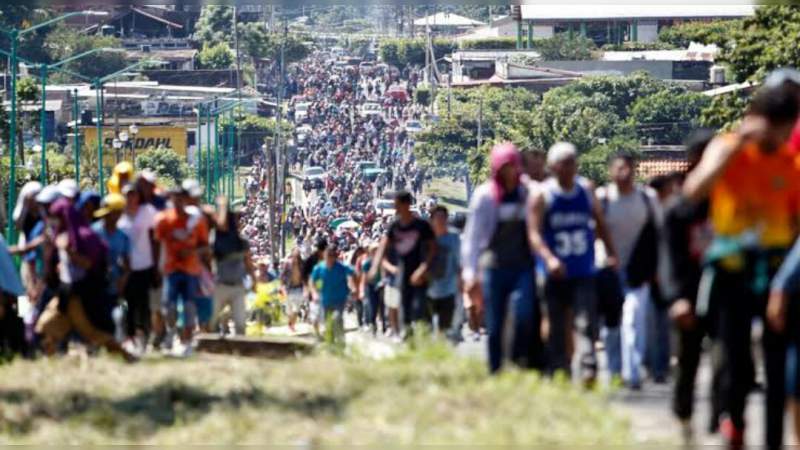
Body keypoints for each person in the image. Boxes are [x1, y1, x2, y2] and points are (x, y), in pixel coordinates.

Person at [684, 71, 800, 448]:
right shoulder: (729, 147)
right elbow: (693, 190)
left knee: (778, 364)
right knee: (734, 361)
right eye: (778, 130)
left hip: (776, 271)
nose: (782, 138)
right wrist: (733, 148)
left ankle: (773, 440)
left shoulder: (789, 162)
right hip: (732, 270)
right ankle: (733, 421)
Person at [529, 142, 617, 384]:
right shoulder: (542, 195)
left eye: (572, 162)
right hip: (553, 272)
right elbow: (534, 234)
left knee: (586, 320)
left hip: (583, 268)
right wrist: (548, 259)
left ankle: (589, 367)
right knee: (556, 323)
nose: (569, 168)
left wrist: (610, 253)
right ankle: (560, 369)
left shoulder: (586, 189)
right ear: (553, 167)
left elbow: (600, 222)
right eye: (564, 163)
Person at [662, 129, 723, 441]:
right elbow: (669, 260)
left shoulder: (729, 201)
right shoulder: (679, 208)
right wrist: (676, 299)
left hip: (724, 292)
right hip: (688, 294)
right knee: (688, 361)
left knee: (725, 359)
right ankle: (684, 417)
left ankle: (720, 419)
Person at [461, 142, 540, 373]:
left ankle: (517, 359)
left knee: (524, 313)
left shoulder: (528, 192)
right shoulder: (485, 196)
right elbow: (473, 238)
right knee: (494, 323)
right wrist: (470, 273)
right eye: (503, 166)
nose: (509, 171)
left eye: (512, 166)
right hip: (494, 266)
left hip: (523, 266)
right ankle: (495, 369)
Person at [35, 198, 134, 362]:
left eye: (56, 216)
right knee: (47, 326)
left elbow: (89, 264)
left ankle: (126, 355)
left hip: (82, 295)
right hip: (66, 292)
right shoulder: (63, 235)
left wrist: (68, 251)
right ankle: (47, 360)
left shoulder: (84, 236)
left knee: (92, 332)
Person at [597, 154, 661, 389]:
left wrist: (658, 267)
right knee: (611, 325)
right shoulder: (602, 199)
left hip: (638, 271)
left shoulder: (647, 199)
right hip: (608, 270)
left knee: (634, 319)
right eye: (619, 168)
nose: (624, 173)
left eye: (628, 168)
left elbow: (659, 233)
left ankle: (632, 373)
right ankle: (614, 372)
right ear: (611, 171)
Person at [155, 187, 210, 355]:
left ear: (186, 200)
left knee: (189, 307)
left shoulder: (196, 221)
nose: (178, 202)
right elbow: (158, 244)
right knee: (169, 307)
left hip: (191, 270)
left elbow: (205, 246)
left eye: (181, 199)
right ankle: (171, 334)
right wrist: (158, 267)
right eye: (175, 199)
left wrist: (192, 252)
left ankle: (186, 341)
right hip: (171, 270)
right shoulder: (164, 219)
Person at [371, 190, 436, 331]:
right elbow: (383, 247)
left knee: (420, 308)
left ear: (406, 204)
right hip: (403, 274)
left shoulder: (421, 226)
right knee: (405, 311)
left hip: (420, 274)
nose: (395, 208)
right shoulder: (395, 226)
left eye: (397, 204)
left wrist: (424, 268)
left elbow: (432, 248)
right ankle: (408, 340)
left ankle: (426, 337)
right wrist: (376, 267)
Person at [118, 183, 160, 349]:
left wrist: (157, 265)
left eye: (133, 194)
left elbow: (155, 237)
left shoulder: (147, 212)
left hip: (145, 264)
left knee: (144, 302)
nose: (130, 198)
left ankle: (145, 333)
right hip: (126, 267)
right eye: (127, 195)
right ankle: (130, 335)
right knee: (129, 302)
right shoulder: (119, 216)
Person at [210, 196, 256, 336]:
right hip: (219, 286)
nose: (239, 223)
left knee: (241, 325)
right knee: (210, 323)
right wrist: (223, 206)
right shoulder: (217, 240)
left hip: (237, 287)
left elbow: (248, 263)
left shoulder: (242, 242)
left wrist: (254, 280)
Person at [91, 194, 131, 341]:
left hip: (114, 283)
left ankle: (113, 340)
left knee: (116, 313)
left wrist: (123, 281)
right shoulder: (94, 232)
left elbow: (128, 264)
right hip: (95, 281)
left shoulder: (122, 237)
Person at [309, 246, 356, 344]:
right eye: (328, 256)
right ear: (324, 256)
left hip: (340, 299)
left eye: (332, 256)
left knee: (337, 317)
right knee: (328, 322)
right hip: (325, 299)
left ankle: (341, 341)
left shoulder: (341, 267)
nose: (330, 258)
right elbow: (312, 281)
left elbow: (352, 274)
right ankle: (331, 342)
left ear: (335, 257)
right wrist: (314, 293)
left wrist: (353, 287)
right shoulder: (319, 268)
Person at [426, 205, 461, 334]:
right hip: (428, 290)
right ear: (431, 220)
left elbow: (459, 263)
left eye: (443, 217)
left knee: (444, 329)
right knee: (427, 329)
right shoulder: (425, 238)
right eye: (437, 217)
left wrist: (461, 283)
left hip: (449, 289)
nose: (441, 220)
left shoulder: (454, 238)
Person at [282, 249, 306, 332]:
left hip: (298, 289)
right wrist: (282, 287)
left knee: (296, 309)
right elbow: (283, 276)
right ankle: (291, 323)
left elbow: (305, 277)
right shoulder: (287, 264)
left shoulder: (302, 265)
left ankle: (291, 325)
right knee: (289, 311)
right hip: (289, 289)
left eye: (298, 254)